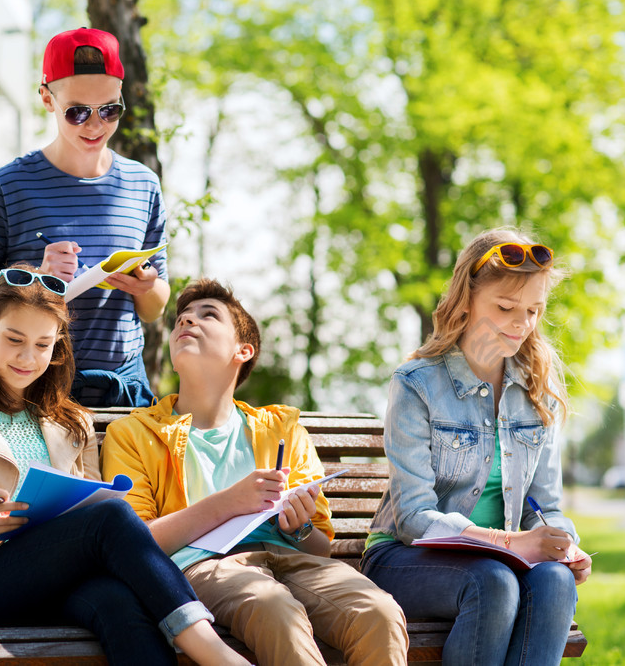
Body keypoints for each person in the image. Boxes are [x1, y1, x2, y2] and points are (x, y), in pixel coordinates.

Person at [0, 266, 248, 666]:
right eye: (15, 339)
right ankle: (215, 653)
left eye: (43, 345)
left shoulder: (72, 423)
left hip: (61, 581)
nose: (28, 358)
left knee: (117, 601)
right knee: (112, 517)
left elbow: (92, 512)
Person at [102, 278, 409, 666]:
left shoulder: (281, 429)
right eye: (181, 318)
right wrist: (230, 503)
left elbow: (319, 547)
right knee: (274, 608)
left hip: (291, 558)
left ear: (242, 350)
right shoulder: (134, 432)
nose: (186, 322)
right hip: (204, 566)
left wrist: (295, 526)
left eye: (206, 315)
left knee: (379, 613)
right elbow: (137, 544)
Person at [360, 228, 594, 666]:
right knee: (493, 582)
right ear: (466, 299)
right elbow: (412, 518)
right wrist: (507, 543)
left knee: (555, 582)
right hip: (405, 557)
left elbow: (545, 506)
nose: (522, 324)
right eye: (505, 307)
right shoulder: (417, 384)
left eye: (533, 310)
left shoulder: (538, 391)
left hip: (504, 562)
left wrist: (565, 543)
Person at [0, 27, 169, 408]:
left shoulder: (142, 184)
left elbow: (155, 306)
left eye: (110, 109)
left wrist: (145, 287)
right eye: (77, 112)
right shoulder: (8, 185)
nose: (95, 125)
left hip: (124, 396)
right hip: (30, 392)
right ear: (47, 99)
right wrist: (34, 280)